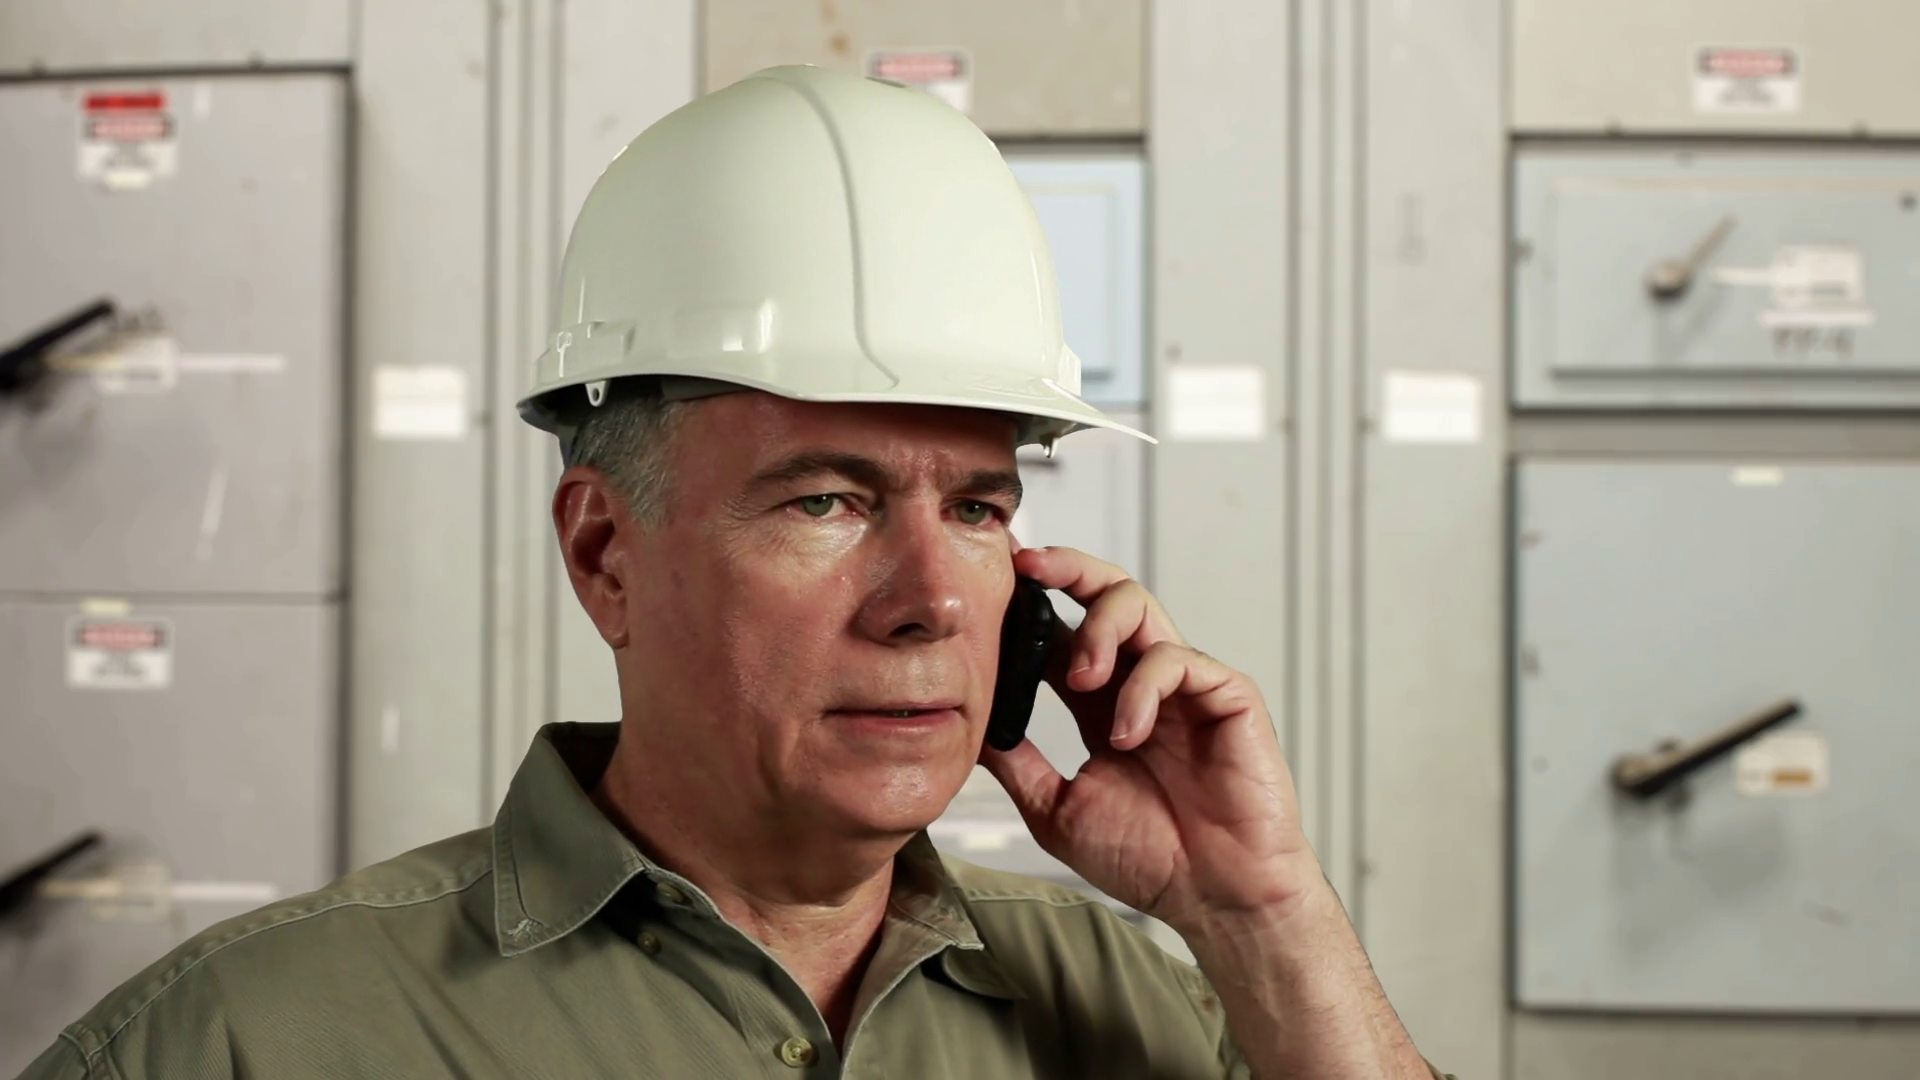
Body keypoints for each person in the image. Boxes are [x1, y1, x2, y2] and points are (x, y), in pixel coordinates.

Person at [19, 65, 1451, 1079]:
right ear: (605, 555)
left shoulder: (1152, 1005)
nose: (931, 600)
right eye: (828, 501)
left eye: (977, 508)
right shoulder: (247, 1042)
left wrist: (1263, 919)